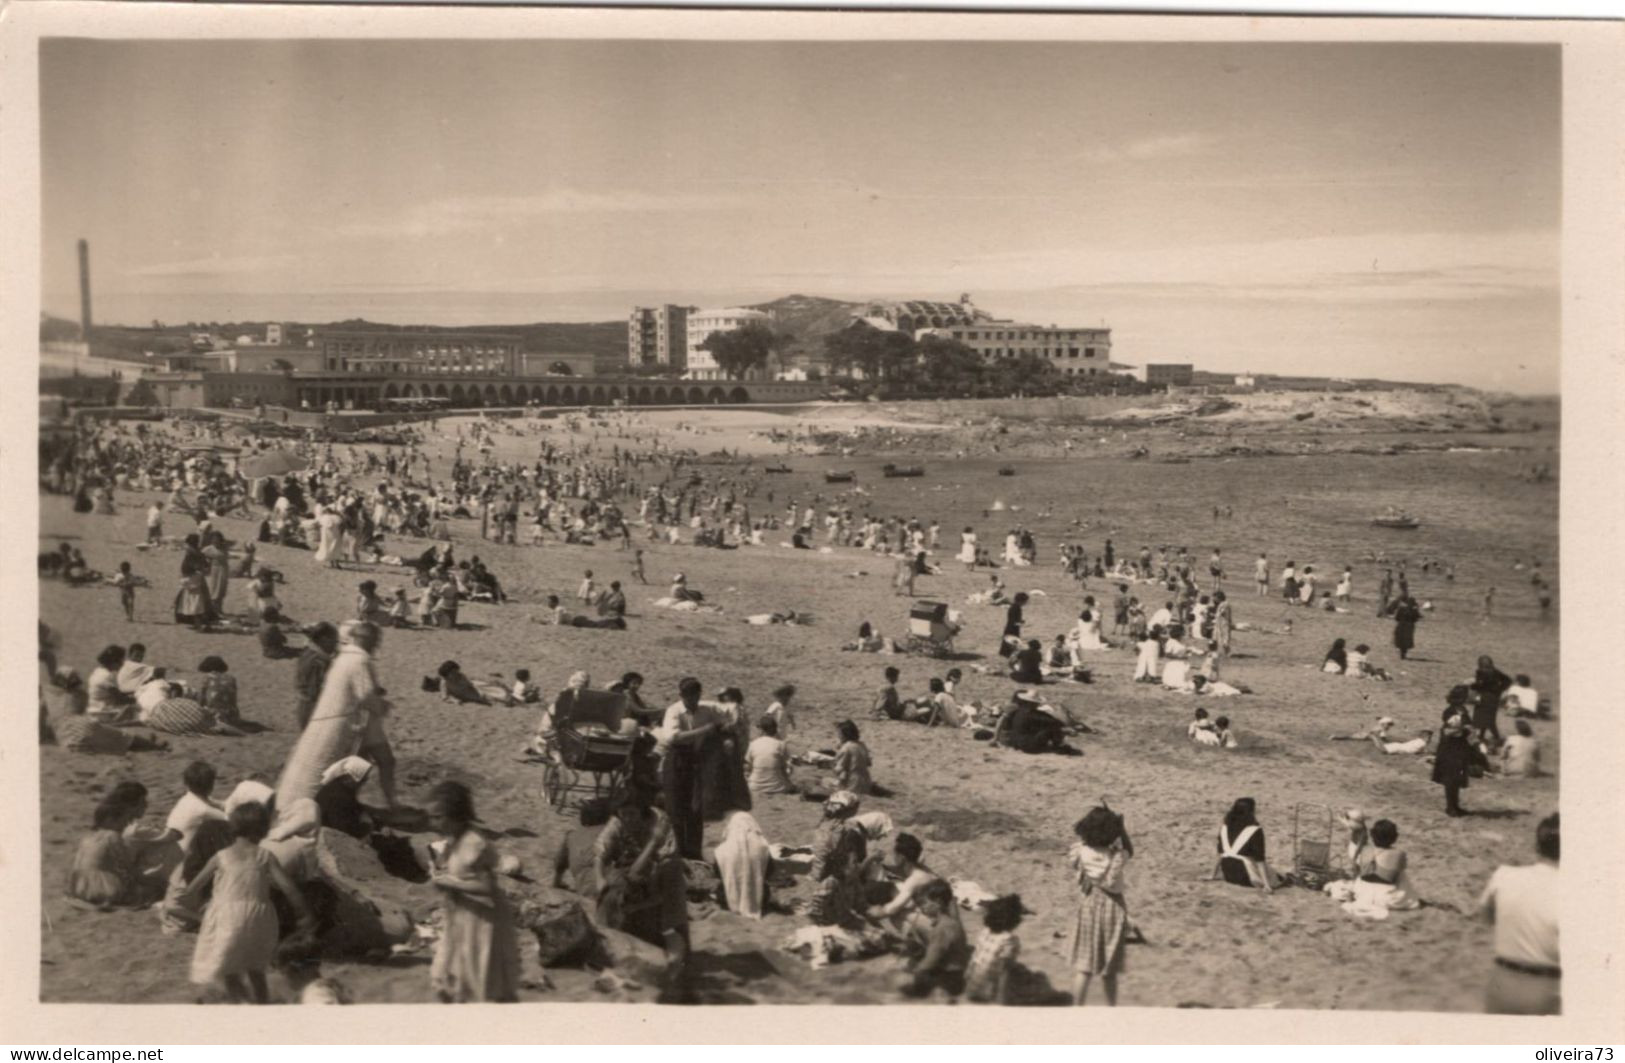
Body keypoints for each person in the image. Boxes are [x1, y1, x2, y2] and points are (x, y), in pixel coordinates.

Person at [183, 800, 313, 1004]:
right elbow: (289, 889)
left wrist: (204, 903)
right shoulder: (265, 856)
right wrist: (304, 913)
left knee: (229, 968)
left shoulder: (221, 856)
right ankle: (261, 1003)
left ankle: (240, 1005)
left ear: (233, 827)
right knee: (256, 967)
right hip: (260, 918)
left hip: (227, 917)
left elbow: (193, 887)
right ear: (263, 830)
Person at [276, 621, 395, 813]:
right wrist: (381, 706)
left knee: (353, 764)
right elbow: (365, 695)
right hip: (348, 723)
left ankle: (352, 801)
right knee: (360, 764)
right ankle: (386, 804)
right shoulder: (359, 660)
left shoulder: (342, 658)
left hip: (341, 720)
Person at [426, 780, 521, 1003]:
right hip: (460, 916)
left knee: (478, 983)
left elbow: (486, 888)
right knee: (454, 981)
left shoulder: (473, 843)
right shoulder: (452, 839)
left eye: (438, 817)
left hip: (480, 921)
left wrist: (448, 882)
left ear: (455, 815)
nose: (432, 822)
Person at [1472, 813, 1559, 1015]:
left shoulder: (1504, 875)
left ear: (1537, 846)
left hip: (1503, 982)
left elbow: (1485, 918)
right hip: (1552, 988)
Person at [1067, 805, 1133, 1006]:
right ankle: (1110, 1009)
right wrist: (1122, 828)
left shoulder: (1079, 851)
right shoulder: (1115, 856)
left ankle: (1076, 1008)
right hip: (1112, 907)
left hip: (1088, 903)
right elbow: (1130, 850)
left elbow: (1083, 849)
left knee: (1084, 967)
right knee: (1109, 969)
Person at [658, 677, 722, 860]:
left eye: (695, 696)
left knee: (695, 808)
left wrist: (720, 733)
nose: (691, 700)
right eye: (687, 697)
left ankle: (694, 853)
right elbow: (673, 737)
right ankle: (677, 852)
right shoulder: (674, 711)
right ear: (681, 695)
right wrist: (704, 730)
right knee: (675, 807)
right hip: (677, 760)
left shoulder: (706, 710)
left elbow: (721, 723)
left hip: (696, 760)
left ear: (699, 695)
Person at [899, 879, 968, 999]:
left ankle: (921, 992)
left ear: (938, 903)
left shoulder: (941, 929)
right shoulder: (951, 922)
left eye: (925, 903)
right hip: (958, 970)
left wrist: (918, 972)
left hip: (951, 979)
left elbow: (931, 960)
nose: (922, 908)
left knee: (916, 973)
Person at [807, 791, 867, 927]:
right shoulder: (852, 829)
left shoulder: (823, 825)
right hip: (842, 872)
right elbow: (861, 855)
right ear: (852, 810)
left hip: (822, 870)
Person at [1212, 797, 1285, 891]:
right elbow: (1259, 859)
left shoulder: (1225, 826)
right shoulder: (1255, 830)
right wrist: (1267, 885)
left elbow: (1220, 852)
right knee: (1278, 877)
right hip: (1245, 875)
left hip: (1228, 872)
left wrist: (1213, 874)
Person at [965, 894, 1023, 1005]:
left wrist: (967, 975)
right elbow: (1004, 971)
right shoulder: (1009, 940)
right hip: (989, 989)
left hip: (973, 983)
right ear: (1015, 921)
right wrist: (1001, 1000)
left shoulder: (985, 931)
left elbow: (975, 957)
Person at [712, 810, 770, 919]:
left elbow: (717, 873)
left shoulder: (722, 851)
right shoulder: (762, 847)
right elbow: (769, 872)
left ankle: (733, 904)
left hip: (728, 898)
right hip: (759, 899)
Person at [165, 761, 228, 855]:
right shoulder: (202, 810)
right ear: (211, 786)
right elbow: (231, 819)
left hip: (172, 849)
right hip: (182, 858)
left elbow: (219, 804)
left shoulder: (188, 798)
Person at [1433, 686, 1475, 817]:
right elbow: (1448, 732)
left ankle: (1455, 806)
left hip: (1459, 747)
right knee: (1450, 779)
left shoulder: (1462, 710)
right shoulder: (1450, 712)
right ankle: (1450, 807)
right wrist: (1464, 729)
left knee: (1456, 779)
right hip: (1450, 748)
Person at [293, 623, 338, 731]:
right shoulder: (318, 662)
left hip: (304, 706)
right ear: (324, 639)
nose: (336, 645)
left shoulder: (308, 653)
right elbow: (314, 692)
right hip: (313, 709)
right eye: (334, 641)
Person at [745, 716, 795, 795]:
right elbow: (786, 768)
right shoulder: (781, 744)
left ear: (761, 730)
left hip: (754, 787)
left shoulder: (753, 744)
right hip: (778, 787)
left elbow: (748, 767)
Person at [1471, 655, 1512, 745]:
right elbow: (1508, 680)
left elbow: (1480, 685)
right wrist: (1500, 689)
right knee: (1489, 719)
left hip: (1484, 697)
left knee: (1482, 719)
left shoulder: (1480, 672)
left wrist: (1472, 686)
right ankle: (1483, 736)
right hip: (1494, 698)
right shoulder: (1495, 671)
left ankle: (1495, 737)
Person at [829, 719, 874, 796]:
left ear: (844, 735)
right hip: (866, 783)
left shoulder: (846, 748)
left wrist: (831, 764)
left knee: (825, 782)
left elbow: (838, 769)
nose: (838, 736)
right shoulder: (862, 745)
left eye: (839, 734)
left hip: (852, 786)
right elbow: (868, 763)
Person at [196, 657, 241, 728]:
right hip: (233, 715)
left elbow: (201, 700)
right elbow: (233, 699)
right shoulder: (232, 678)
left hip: (215, 716)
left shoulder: (207, 678)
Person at [1391, 595, 1422, 660]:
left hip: (1401, 626)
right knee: (1406, 641)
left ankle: (1402, 654)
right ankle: (1404, 654)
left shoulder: (1401, 609)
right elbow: (1417, 618)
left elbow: (1397, 618)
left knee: (1401, 640)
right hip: (1409, 627)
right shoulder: (1414, 610)